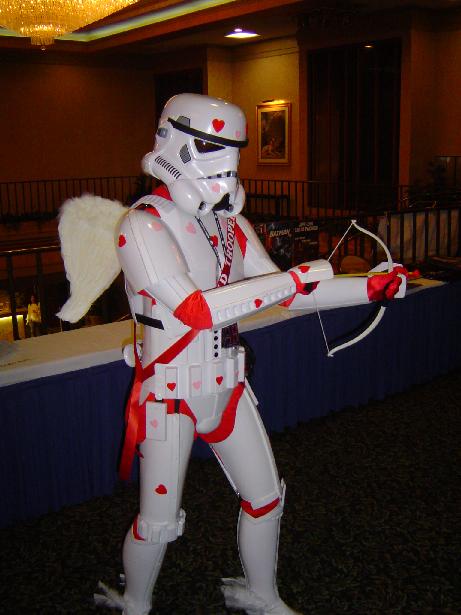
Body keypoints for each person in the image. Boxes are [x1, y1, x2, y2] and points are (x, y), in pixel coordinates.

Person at [58, 93, 406, 615]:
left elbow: (287, 294)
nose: (226, 167)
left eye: (232, 152)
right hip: (170, 395)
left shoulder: (229, 226)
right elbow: (196, 309)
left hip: (226, 386)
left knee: (267, 497)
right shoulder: (141, 226)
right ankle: (136, 602)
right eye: (210, 148)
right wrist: (291, 280)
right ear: (173, 142)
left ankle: (263, 595)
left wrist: (368, 288)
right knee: (158, 521)